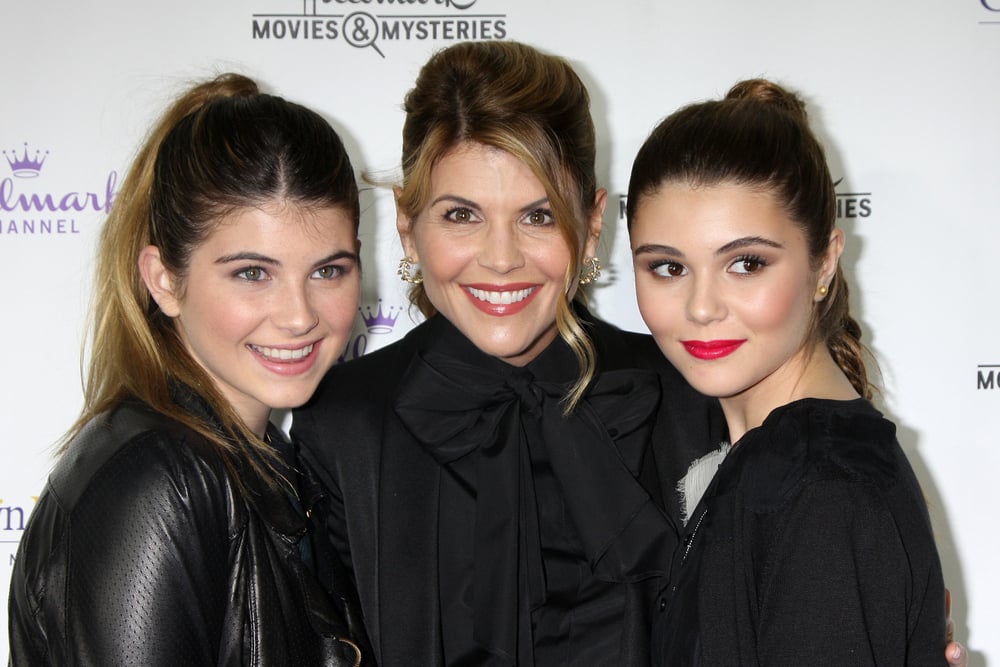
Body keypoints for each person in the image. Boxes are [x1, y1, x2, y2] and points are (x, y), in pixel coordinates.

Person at [292, 40, 725, 665]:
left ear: (593, 223)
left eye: (539, 216)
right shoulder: (342, 424)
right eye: (461, 215)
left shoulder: (689, 396)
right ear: (408, 225)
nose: (501, 259)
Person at [8, 73, 371, 666]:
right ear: (164, 280)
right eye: (252, 273)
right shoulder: (159, 482)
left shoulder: (257, 459)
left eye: (328, 271)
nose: (299, 316)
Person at [627, 78, 948, 664]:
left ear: (824, 262)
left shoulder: (821, 489)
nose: (702, 307)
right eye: (669, 268)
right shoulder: (774, 464)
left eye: (746, 263)